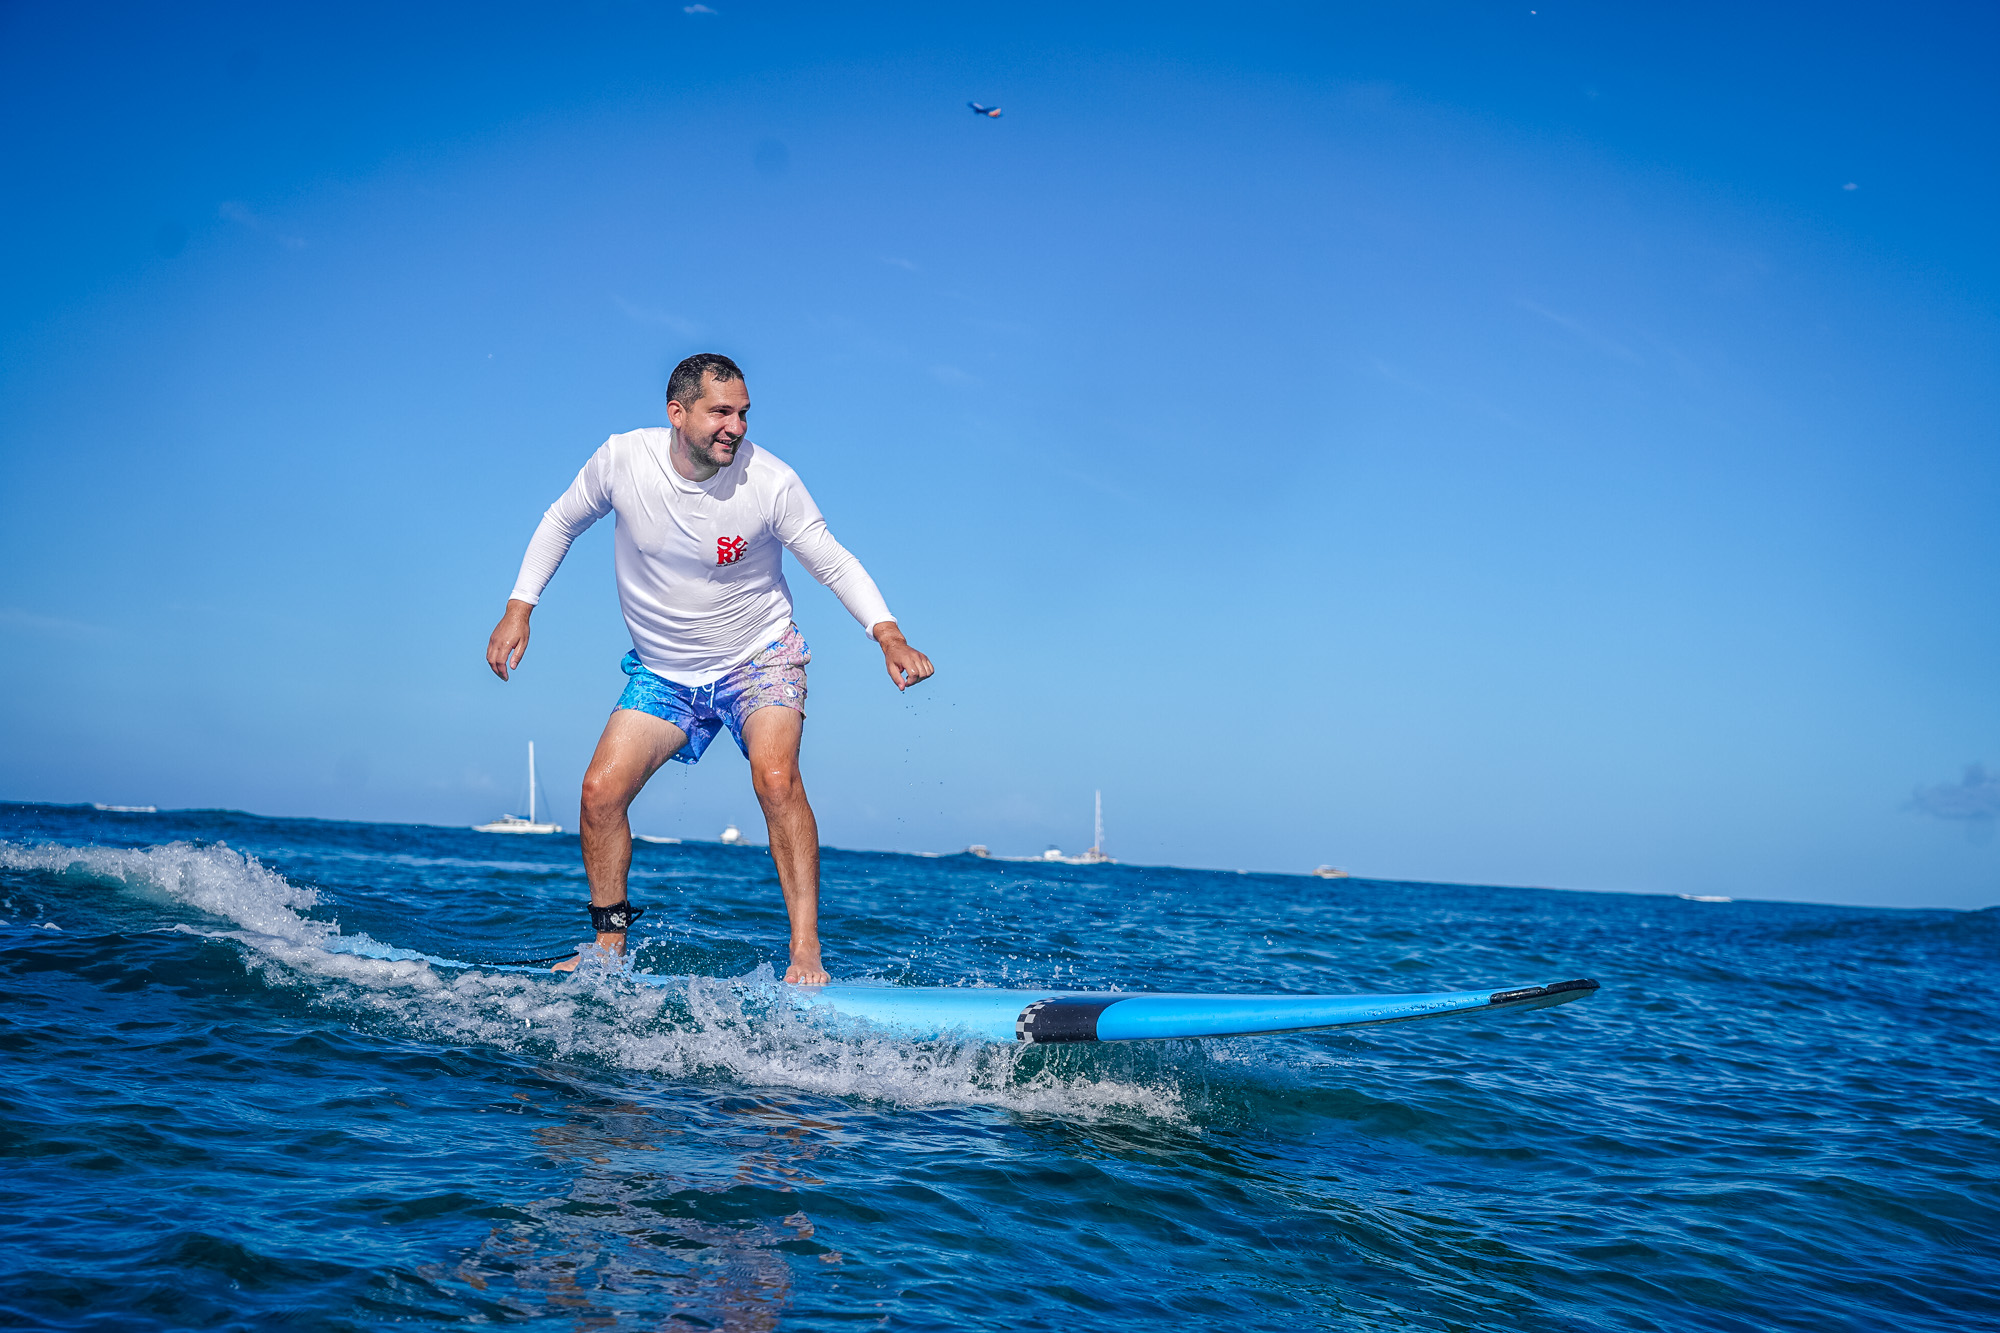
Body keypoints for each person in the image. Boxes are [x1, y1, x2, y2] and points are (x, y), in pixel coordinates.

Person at [484, 353, 933, 983]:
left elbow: (832, 560)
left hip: (760, 656)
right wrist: (518, 609)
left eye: (743, 412)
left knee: (776, 778)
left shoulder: (769, 484)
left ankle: (805, 951)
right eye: (720, 411)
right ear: (678, 413)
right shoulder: (622, 461)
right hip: (665, 670)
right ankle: (608, 946)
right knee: (598, 793)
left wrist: (889, 635)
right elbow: (561, 521)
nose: (736, 426)